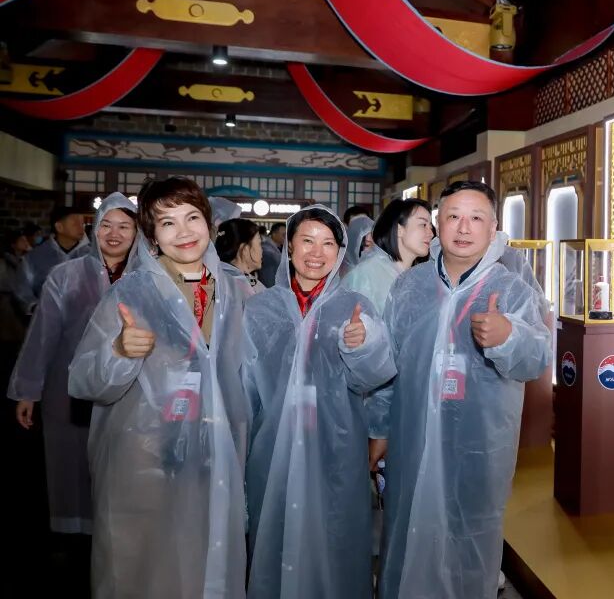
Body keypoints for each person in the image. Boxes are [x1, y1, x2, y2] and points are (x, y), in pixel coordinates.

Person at [68, 177, 249, 599]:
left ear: (210, 223)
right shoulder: (132, 294)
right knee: (146, 567)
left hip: (218, 453)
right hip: (145, 456)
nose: (184, 232)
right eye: (167, 223)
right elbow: (82, 378)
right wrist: (119, 350)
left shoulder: (238, 290)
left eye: (192, 217)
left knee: (209, 558)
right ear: (151, 237)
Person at [375, 181, 552, 599]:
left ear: (493, 227)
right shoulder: (410, 287)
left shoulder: (512, 290)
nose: (464, 227)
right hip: (411, 437)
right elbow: (388, 364)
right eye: (453, 216)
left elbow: (537, 358)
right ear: (439, 224)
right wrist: (378, 427)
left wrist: (509, 337)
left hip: (478, 446)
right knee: (406, 528)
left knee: (469, 538)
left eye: (476, 217)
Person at [243, 206, 395, 599]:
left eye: (328, 243)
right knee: (274, 530)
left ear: (340, 251)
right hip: (270, 447)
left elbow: (375, 378)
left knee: (334, 535)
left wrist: (362, 346)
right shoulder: (261, 308)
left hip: (335, 446)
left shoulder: (354, 306)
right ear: (289, 246)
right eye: (307, 240)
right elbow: (244, 387)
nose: (316, 252)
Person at [8, 194, 141, 539]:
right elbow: (42, 335)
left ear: (137, 232)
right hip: (68, 384)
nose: (114, 234)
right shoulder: (66, 275)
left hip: (131, 387)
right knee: (71, 458)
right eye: (106, 225)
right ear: (94, 229)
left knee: (124, 460)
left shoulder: (147, 277)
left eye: (124, 226)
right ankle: (74, 531)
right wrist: (28, 390)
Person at [342, 199, 432, 313]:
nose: (431, 233)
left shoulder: (417, 276)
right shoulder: (366, 275)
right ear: (399, 230)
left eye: (431, 226)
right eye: (423, 225)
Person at [13, 206, 89, 314]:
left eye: (82, 223)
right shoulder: (35, 257)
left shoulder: (92, 256)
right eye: (74, 224)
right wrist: (37, 308)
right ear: (59, 227)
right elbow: (22, 291)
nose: (81, 227)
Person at [215, 218, 266, 295]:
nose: (262, 250)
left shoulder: (217, 278)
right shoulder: (243, 286)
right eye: (259, 243)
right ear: (245, 249)